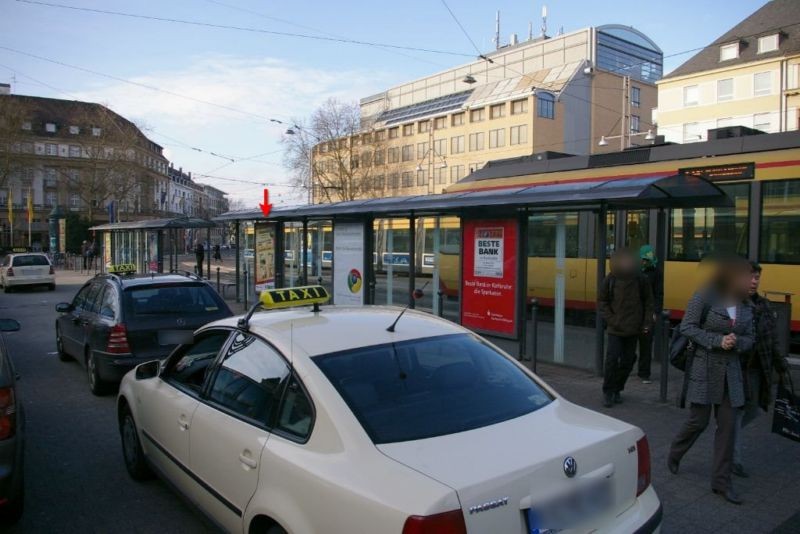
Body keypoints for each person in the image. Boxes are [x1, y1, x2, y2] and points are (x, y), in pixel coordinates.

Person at [667, 255, 754, 505]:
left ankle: (721, 483)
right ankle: (675, 453)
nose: (751, 281)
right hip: (704, 370)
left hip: (731, 374)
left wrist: (738, 343)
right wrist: (718, 341)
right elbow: (687, 327)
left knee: (727, 428)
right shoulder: (704, 296)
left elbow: (751, 337)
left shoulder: (747, 305)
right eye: (746, 276)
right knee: (699, 421)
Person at [731, 261, 789, 478]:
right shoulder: (732, 303)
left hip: (757, 368)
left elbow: (772, 338)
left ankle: (727, 433)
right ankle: (734, 459)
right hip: (737, 368)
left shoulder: (763, 305)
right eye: (750, 277)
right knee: (737, 413)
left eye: (757, 278)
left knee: (754, 409)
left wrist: (780, 363)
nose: (754, 281)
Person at [598, 248, 655, 408]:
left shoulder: (641, 279)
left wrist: (646, 323)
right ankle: (608, 391)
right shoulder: (610, 279)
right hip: (616, 328)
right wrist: (612, 319)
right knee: (612, 360)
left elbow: (648, 303)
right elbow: (602, 302)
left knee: (628, 361)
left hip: (634, 328)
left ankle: (617, 388)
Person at [637, 245, 663, 384]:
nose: (644, 262)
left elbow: (659, 294)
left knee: (646, 344)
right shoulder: (635, 271)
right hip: (634, 312)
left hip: (647, 313)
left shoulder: (656, 272)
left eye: (647, 260)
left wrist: (655, 312)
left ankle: (644, 373)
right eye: (643, 259)